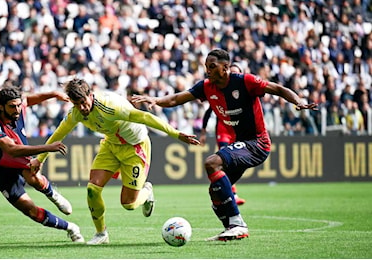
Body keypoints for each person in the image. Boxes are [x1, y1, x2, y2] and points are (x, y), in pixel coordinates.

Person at [131, 48, 318, 241]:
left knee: (212, 163)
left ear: (226, 67)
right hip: (242, 143)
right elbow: (177, 98)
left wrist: (298, 102)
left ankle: (237, 223)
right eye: (206, 67)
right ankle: (231, 228)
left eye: (212, 67)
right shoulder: (206, 86)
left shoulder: (245, 81)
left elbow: (278, 89)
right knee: (215, 192)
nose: (208, 71)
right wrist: (155, 100)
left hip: (257, 143)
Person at [29, 78, 200, 245]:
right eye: (76, 104)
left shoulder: (110, 107)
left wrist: (176, 134)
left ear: (90, 95)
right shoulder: (76, 114)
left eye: (83, 102)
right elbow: (58, 134)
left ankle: (147, 192)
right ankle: (101, 233)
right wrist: (40, 159)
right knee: (92, 189)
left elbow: (145, 117)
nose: (81, 108)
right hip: (111, 145)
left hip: (135, 147)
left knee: (129, 204)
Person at [0, 86, 84, 242]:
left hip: (19, 157)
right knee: (31, 211)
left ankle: (52, 194)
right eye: (12, 106)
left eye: (18, 105)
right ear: (0, 106)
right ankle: (71, 228)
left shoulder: (17, 108)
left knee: (34, 177)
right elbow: (11, 150)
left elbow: (30, 99)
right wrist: (48, 148)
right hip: (0, 167)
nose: (17, 110)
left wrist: (53, 93)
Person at [199, 63, 246, 206]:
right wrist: (203, 130)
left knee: (236, 163)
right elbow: (209, 111)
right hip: (223, 131)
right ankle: (231, 193)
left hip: (237, 132)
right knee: (225, 161)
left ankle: (227, 191)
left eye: (236, 73)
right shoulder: (220, 92)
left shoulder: (243, 92)